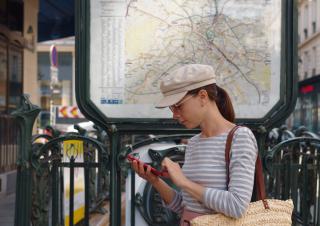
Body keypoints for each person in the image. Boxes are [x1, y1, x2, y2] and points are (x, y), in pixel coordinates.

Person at [130, 64, 258, 225]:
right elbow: (185, 207)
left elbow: (237, 206)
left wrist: (183, 181)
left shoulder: (240, 138)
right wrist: (154, 180)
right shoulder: (194, 143)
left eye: (178, 106)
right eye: (171, 108)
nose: (174, 115)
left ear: (203, 96)